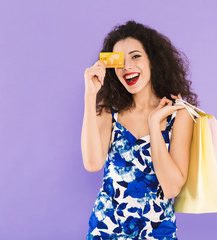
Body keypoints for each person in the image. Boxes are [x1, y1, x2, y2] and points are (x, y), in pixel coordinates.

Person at [81, 20, 199, 239]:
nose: (127, 67)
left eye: (136, 56)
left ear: (152, 60)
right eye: (119, 62)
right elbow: (92, 163)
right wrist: (90, 95)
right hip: (106, 229)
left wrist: (155, 125)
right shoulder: (109, 110)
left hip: (156, 232)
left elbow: (172, 188)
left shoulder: (179, 113)